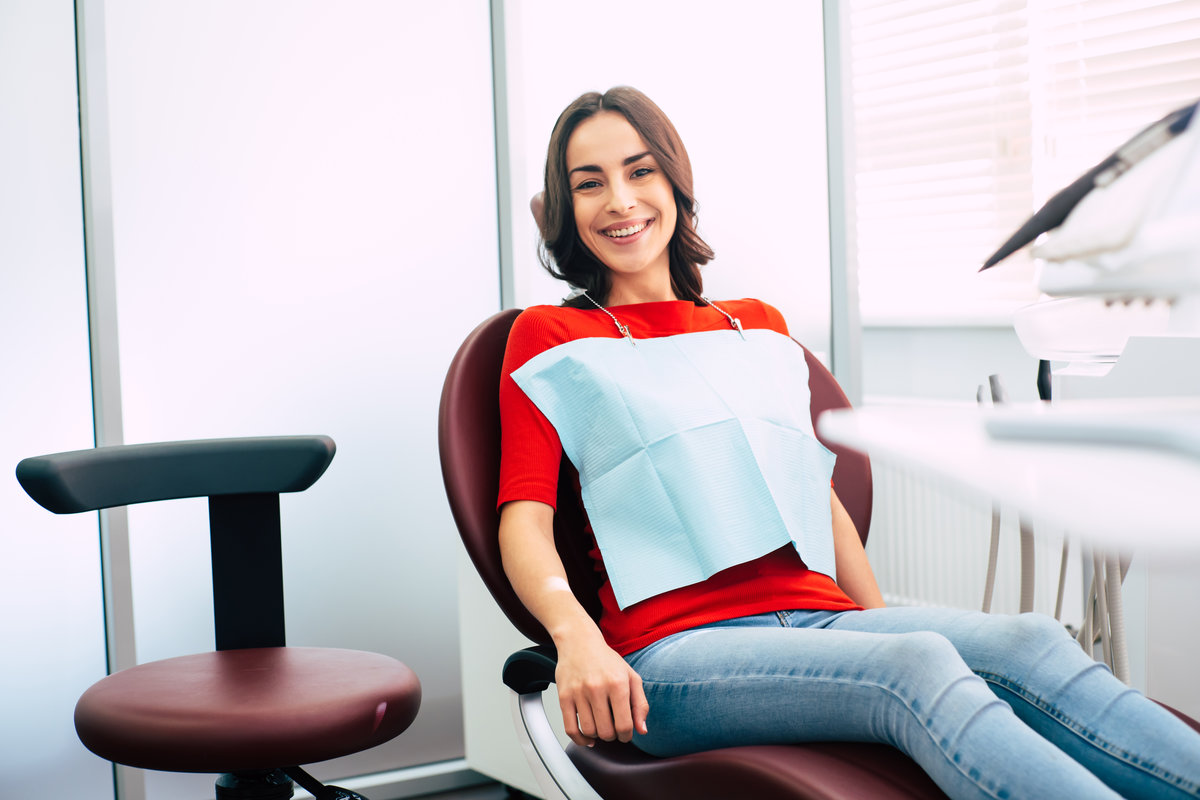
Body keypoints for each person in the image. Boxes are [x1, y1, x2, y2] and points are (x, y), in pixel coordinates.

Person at [496, 86, 1200, 800]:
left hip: (814, 619)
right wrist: (573, 638)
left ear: (675, 183)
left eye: (639, 171)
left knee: (1033, 641)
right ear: (567, 207)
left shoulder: (758, 325)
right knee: (917, 666)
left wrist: (875, 626)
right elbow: (523, 518)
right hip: (674, 654)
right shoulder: (551, 337)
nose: (619, 199)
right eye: (590, 184)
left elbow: (815, 498)